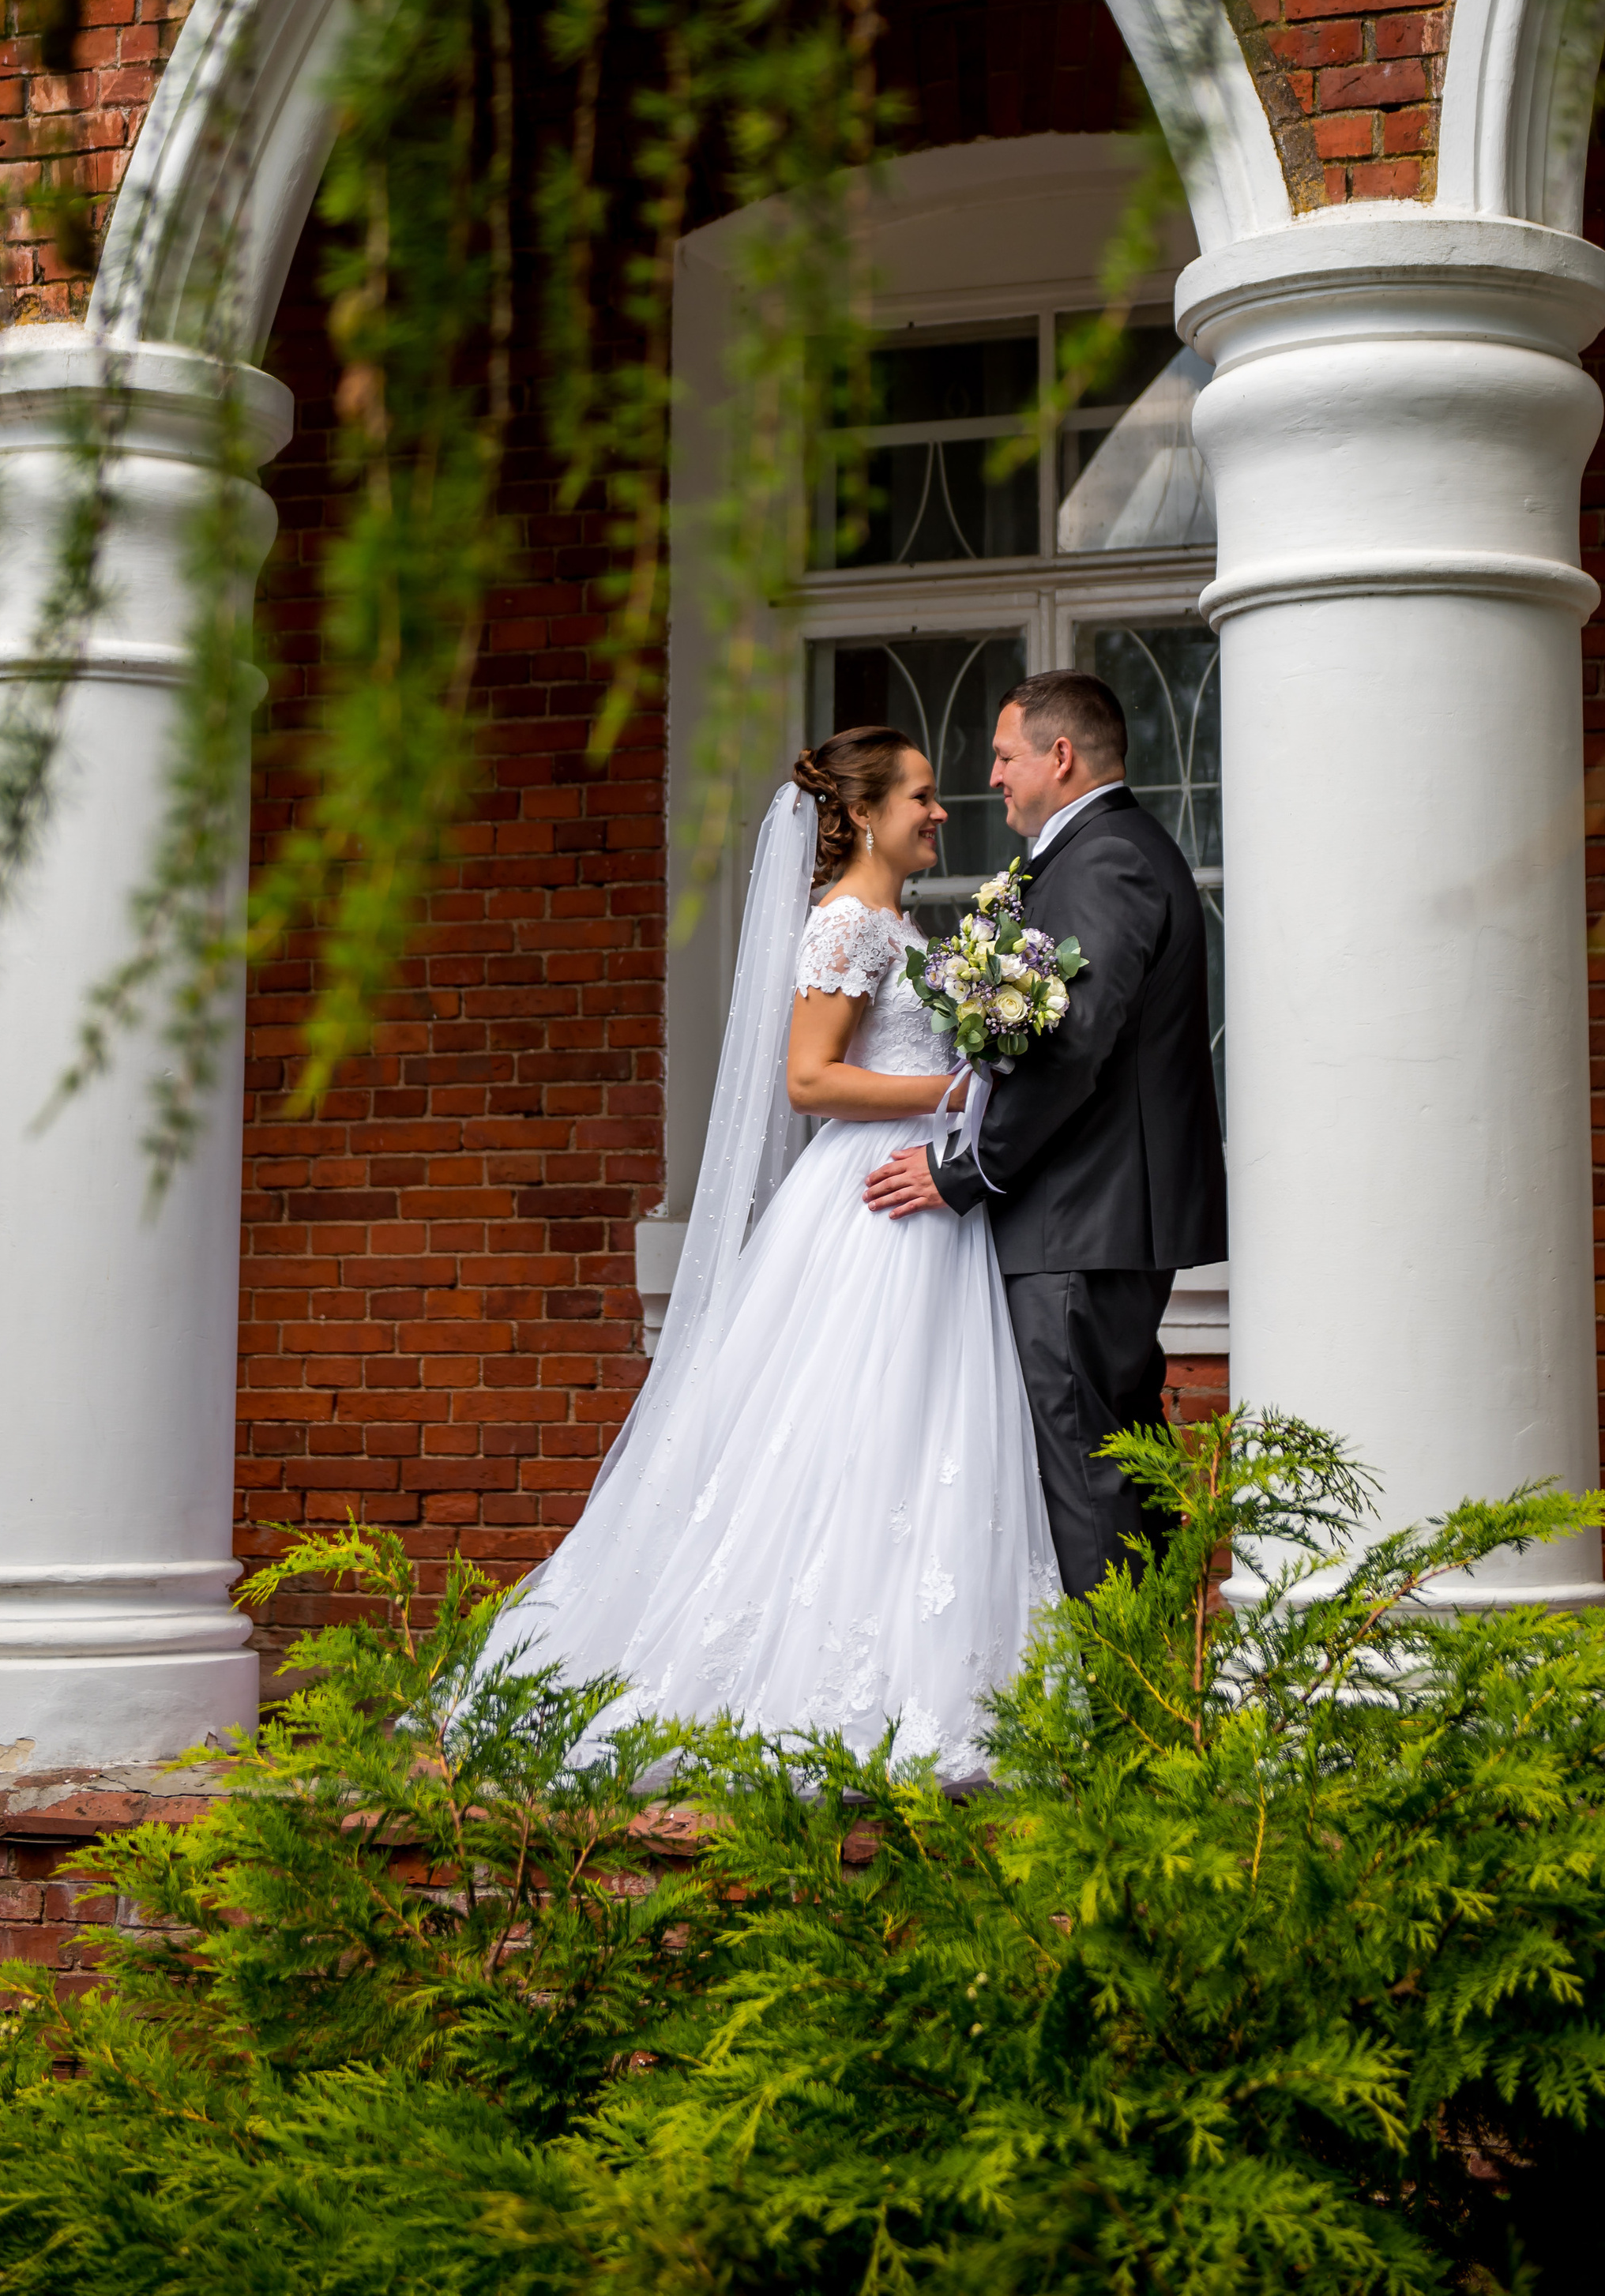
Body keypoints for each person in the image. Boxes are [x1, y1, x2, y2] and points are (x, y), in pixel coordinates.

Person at [502, 726, 1058, 1775]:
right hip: (874, 1200)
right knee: (848, 1431)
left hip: (926, 1197)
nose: (941, 812)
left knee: (918, 1429)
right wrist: (960, 1088)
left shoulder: (902, 918)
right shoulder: (847, 923)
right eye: (922, 797)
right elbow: (810, 1078)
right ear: (861, 815)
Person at [865, 670, 1227, 1596]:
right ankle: (1154, 1702)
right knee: (1122, 1464)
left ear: (1058, 757)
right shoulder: (1108, 848)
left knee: (1085, 1474)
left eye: (1003, 755)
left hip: (1081, 1218)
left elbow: (1073, 1045)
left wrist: (968, 1169)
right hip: (1099, 1217)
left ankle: (1120, 1716)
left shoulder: (1104, 857)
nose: (990, 777)